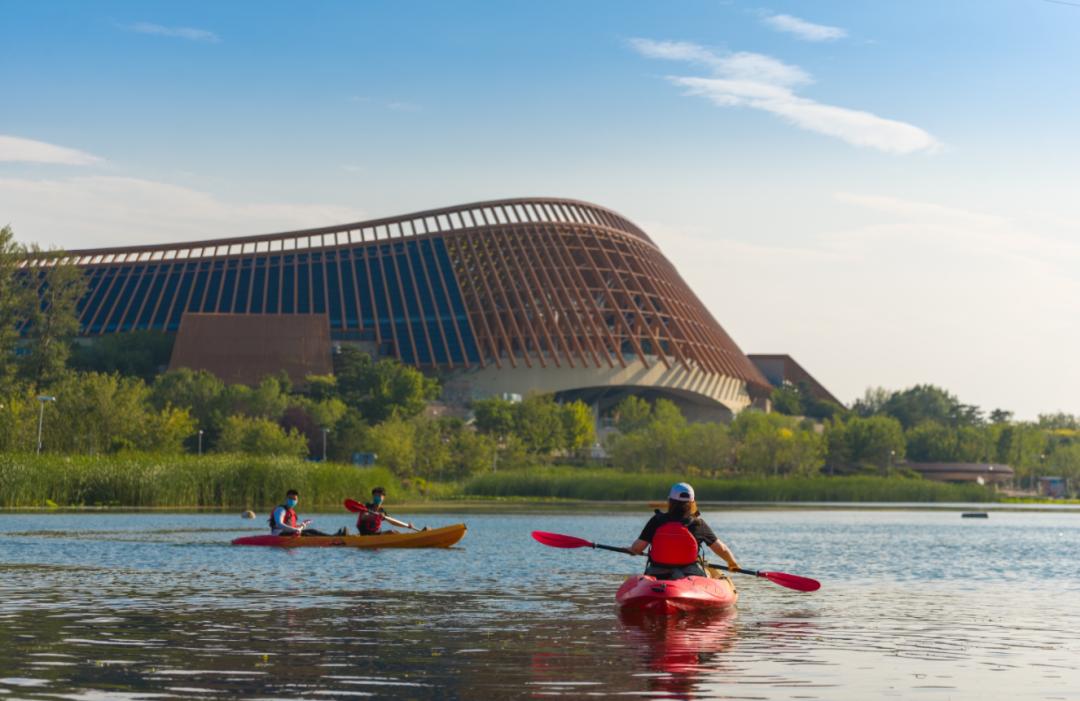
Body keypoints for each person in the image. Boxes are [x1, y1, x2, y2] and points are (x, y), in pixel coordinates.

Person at [628, 482, 739, 580]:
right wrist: (732, 563)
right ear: (692, 503)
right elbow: (722, 549)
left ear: (670, 501)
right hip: (690, 572)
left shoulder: (657, 520)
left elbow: (638, 548)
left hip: (657, 571)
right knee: (708, 574)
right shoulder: (698, 524)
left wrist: (632, 550)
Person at [269, 489, 345, 537]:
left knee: (313, 531)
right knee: (306, 534)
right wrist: (295, 530)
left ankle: (334, 537)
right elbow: (279, 524)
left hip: (290, 532)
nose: (292, 500)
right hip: (279, 534)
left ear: (297, 501)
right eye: (290, 498)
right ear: (286, 499)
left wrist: (301, 525)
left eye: (294, 499)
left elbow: (292, 526)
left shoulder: (292, 511)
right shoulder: (280, 510)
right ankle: (332, 539)